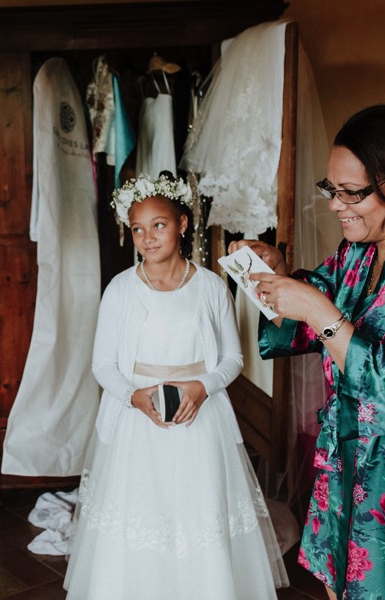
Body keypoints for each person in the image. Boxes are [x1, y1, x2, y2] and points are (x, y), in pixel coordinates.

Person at [235, 105, 385, 599]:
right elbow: (300, 324)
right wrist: (273, 276)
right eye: (331, 190)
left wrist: (320, 312)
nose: (337, 205)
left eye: (352, 192)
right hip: (351, 462)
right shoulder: (357, 250)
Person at [63, 172, 287, 599]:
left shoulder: (209, 287)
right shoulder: (120, 290)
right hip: (138, 422)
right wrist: (133, 396)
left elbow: (233, 359)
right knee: (142, 513)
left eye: (159, 225)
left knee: (197, 512)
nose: (148, 238)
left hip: (199, 419)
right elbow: (102, 364)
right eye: (138, 229)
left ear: (183, 224)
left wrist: (203, 386)